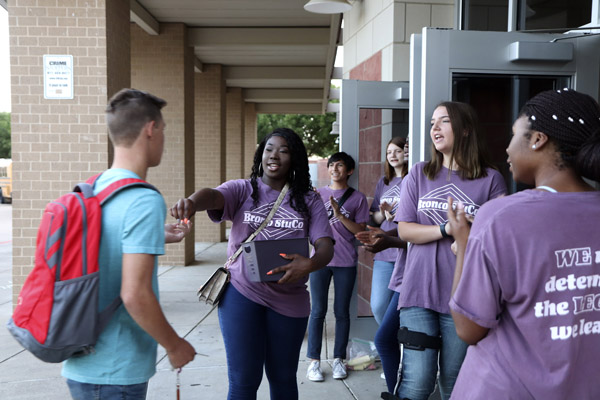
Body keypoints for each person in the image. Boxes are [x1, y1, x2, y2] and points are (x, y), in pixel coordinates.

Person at [448, 88, 600, 399]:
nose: (506, 148)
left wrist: (464, 243)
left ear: (537, 139)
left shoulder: (502, 217)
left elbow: (468, 329)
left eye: (515, 135)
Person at [170, 128, 334, 400]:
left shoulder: (309, 199)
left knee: (283, 379)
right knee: (244, 380)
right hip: (242, 295)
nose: (275, 155)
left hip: (289, 301)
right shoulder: (242, 189)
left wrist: (310, 263)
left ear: (294, 159)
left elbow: (325, 245)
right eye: (269, 149)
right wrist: (191, 203)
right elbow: (212, 195)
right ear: (261, 155)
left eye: (284, 150)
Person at [62, 89, 196, 399]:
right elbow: (135, 293)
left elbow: (107, 239)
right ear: (151, 129)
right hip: (116, 367)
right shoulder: (144, 199)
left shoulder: (94, 188)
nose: (164, 138)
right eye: (163, 130)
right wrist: (174, 345)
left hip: (82, 359)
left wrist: (155, 233)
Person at [394, 101, 507, 400]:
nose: (434, 128)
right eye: (432, 122)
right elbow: (405, 229)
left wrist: (470, 236)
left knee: (456, 383)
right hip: (418, 292)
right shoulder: (418, 174)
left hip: (465, 298)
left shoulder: (491, 180)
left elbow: (498, 237)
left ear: (466, 129)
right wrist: (447, 230)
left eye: (444, 121)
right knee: (417, 383)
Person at [306, 152, 369, 382]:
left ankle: (338, 359)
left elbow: (360, 232)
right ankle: (314, 361)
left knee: (341, 312)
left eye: (339, 165)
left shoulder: (358, 198)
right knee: (317, 311)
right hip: (319, 261)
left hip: (345, 262)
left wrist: (339, 215)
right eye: (331, 165)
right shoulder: (317, 194)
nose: (334, 169)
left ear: (349, 171)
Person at [369, 137, 409, 325]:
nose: (392, 155)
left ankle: (397, 344)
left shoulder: (414, 179)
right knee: (378, 305)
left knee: (403, 306)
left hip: (407, 249)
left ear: (406, 152)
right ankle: (390, 342)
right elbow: (374, 217)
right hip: (384, 252)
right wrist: (384, 214)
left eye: (397, 151)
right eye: (389, 152)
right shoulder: (384, 182)